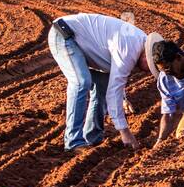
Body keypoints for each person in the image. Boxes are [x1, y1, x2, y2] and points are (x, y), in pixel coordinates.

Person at [46, 13, 153, 150]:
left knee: (103, 85)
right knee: (81, 82)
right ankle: (73, 142)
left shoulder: (139, 44)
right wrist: (125, 133)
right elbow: (115, 90)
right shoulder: (130, 49)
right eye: (150, 67)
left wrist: (123, 98)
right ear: (146, 55)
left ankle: (92, 138)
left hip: (80, 41)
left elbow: (116, 79)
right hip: (64, 35)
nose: (149, 71)